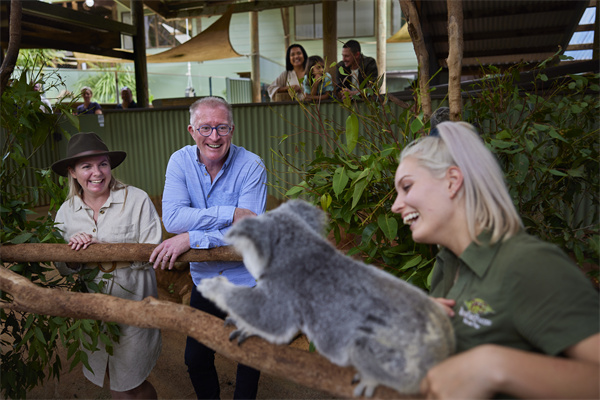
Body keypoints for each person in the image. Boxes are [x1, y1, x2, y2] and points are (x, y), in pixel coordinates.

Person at [391, 121, 599, 399]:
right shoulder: (447, 265)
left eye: (406, 187)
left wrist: (494, 365)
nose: (395, 205)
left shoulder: (527, 264)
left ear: (453, 181)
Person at [150, 97, 267, 399]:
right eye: (205, 128)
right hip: (206, 281)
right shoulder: (180, 161)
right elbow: (174, 218)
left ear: (232, 129)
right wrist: (229, 213)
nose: (214, 136)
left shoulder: (252, 165)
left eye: (221, 128)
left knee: (249, 356)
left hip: (247, 281)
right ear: (192, 130)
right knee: (195, 358)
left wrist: (192, 238)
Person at [52, 132, 162, 399]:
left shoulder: (136, 200)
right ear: (73, 172)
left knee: (130, 381)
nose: (97, 173)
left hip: (134, 302)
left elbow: (152, 251)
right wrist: (73, 255)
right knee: (113, 375)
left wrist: (99, 246)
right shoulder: (66, 212)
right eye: (86, 166)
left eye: (102, 164)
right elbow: (62, 267)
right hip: (94, 309)